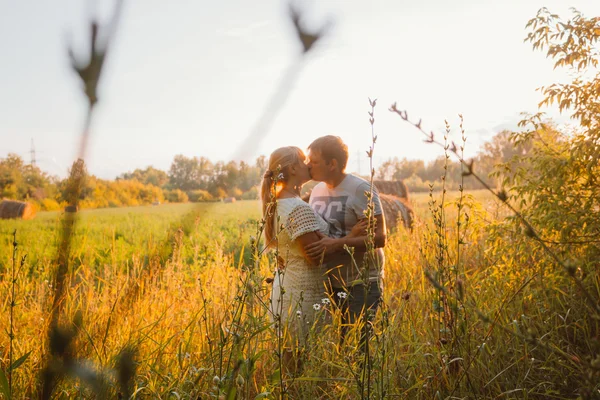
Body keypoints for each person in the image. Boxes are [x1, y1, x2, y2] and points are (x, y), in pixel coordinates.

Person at [260, 146, 366, 347]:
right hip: (303, 293)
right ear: (292, 169)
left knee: (292, 365)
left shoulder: (278, 202)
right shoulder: (297, 208)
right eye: (303, 161)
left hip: (286, 288)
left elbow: (292, 246)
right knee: (304, 363)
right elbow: (317, 256)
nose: (308, 164)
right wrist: (351, 237)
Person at [305, 135, 387, 334]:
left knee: (357, 348)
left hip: (360, 282)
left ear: (332, 163)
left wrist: (336, 244)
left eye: (314, 161)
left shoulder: (361, 189)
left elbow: (379, 238)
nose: (308, 166)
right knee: (338, 346)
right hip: (328, 281)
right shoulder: (316, 190)